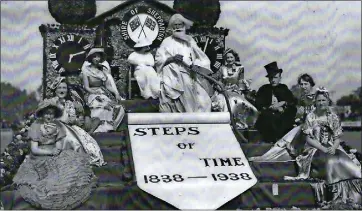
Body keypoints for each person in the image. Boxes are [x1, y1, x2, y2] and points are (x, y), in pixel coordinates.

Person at [12, 100, 97, 210]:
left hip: (56, 153)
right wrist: (49, 152)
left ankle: (69, 187)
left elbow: (59, 146)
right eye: (46, 113)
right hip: (40, 155)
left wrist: (55, 151)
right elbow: (34, 149)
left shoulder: (58, 126)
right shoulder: (36, 126)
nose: (49, 116)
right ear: (42, 114)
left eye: (51, 113)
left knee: (74, 166)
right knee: (46, 178)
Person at [284, 88, 362, 205]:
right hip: (314, 148)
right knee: (330, 161)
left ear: (328, 101)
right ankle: (334, 195)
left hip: (331, 146)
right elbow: (308, 139)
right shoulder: (311, 116)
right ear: (315, 101)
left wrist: (334, 147)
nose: (321, 103)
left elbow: (337, 137)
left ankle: (350, 196)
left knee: (343, 159)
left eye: (323, 100)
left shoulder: (333, 117)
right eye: (319, 100)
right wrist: (323, 148)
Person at [249, 73, 317, 161]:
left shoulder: (317, 97)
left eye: (306, 84)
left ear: (311, 84)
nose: (303, 87)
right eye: (301, 84)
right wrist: (299, 119)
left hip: (314, 128)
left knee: (291, 139)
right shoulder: (303, 98)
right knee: (284, 141)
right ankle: (266, 157)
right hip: (304, 126)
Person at [155, 13, 212, 113]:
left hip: (188, 72)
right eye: (175, 25)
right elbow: (159, 59)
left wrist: (196, 65)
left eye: (180, 25)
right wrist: (172, 58)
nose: (177, 27)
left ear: (184, 26)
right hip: (171, 74)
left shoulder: (190, 41)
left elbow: (201, 56)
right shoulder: (166, 41)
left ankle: (194, 119)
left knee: (202, 99)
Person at [81, 47, 125, 132]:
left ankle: (108, 127)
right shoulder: (86, 70)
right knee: (100, 108)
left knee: (116, 108)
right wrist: (94, 92)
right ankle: (97, 128)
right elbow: (86, 87)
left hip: (103, 93)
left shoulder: (103, 69)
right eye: (95, 56)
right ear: (91, 58)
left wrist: (116, 93)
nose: (97, 59)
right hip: (92, 94)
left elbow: (107, 86)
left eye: (99, 57)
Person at [254, 61, 297, 143]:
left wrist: (283, 103)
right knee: (267, 119)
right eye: (271, 78)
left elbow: (292, 101)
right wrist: (271, 107)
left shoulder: (283, 88)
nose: (273, 80)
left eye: (275, 77)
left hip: (282, 115)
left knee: (289, 114)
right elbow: (258, 104)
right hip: (268, 115)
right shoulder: (263, 89)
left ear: (280, 78)